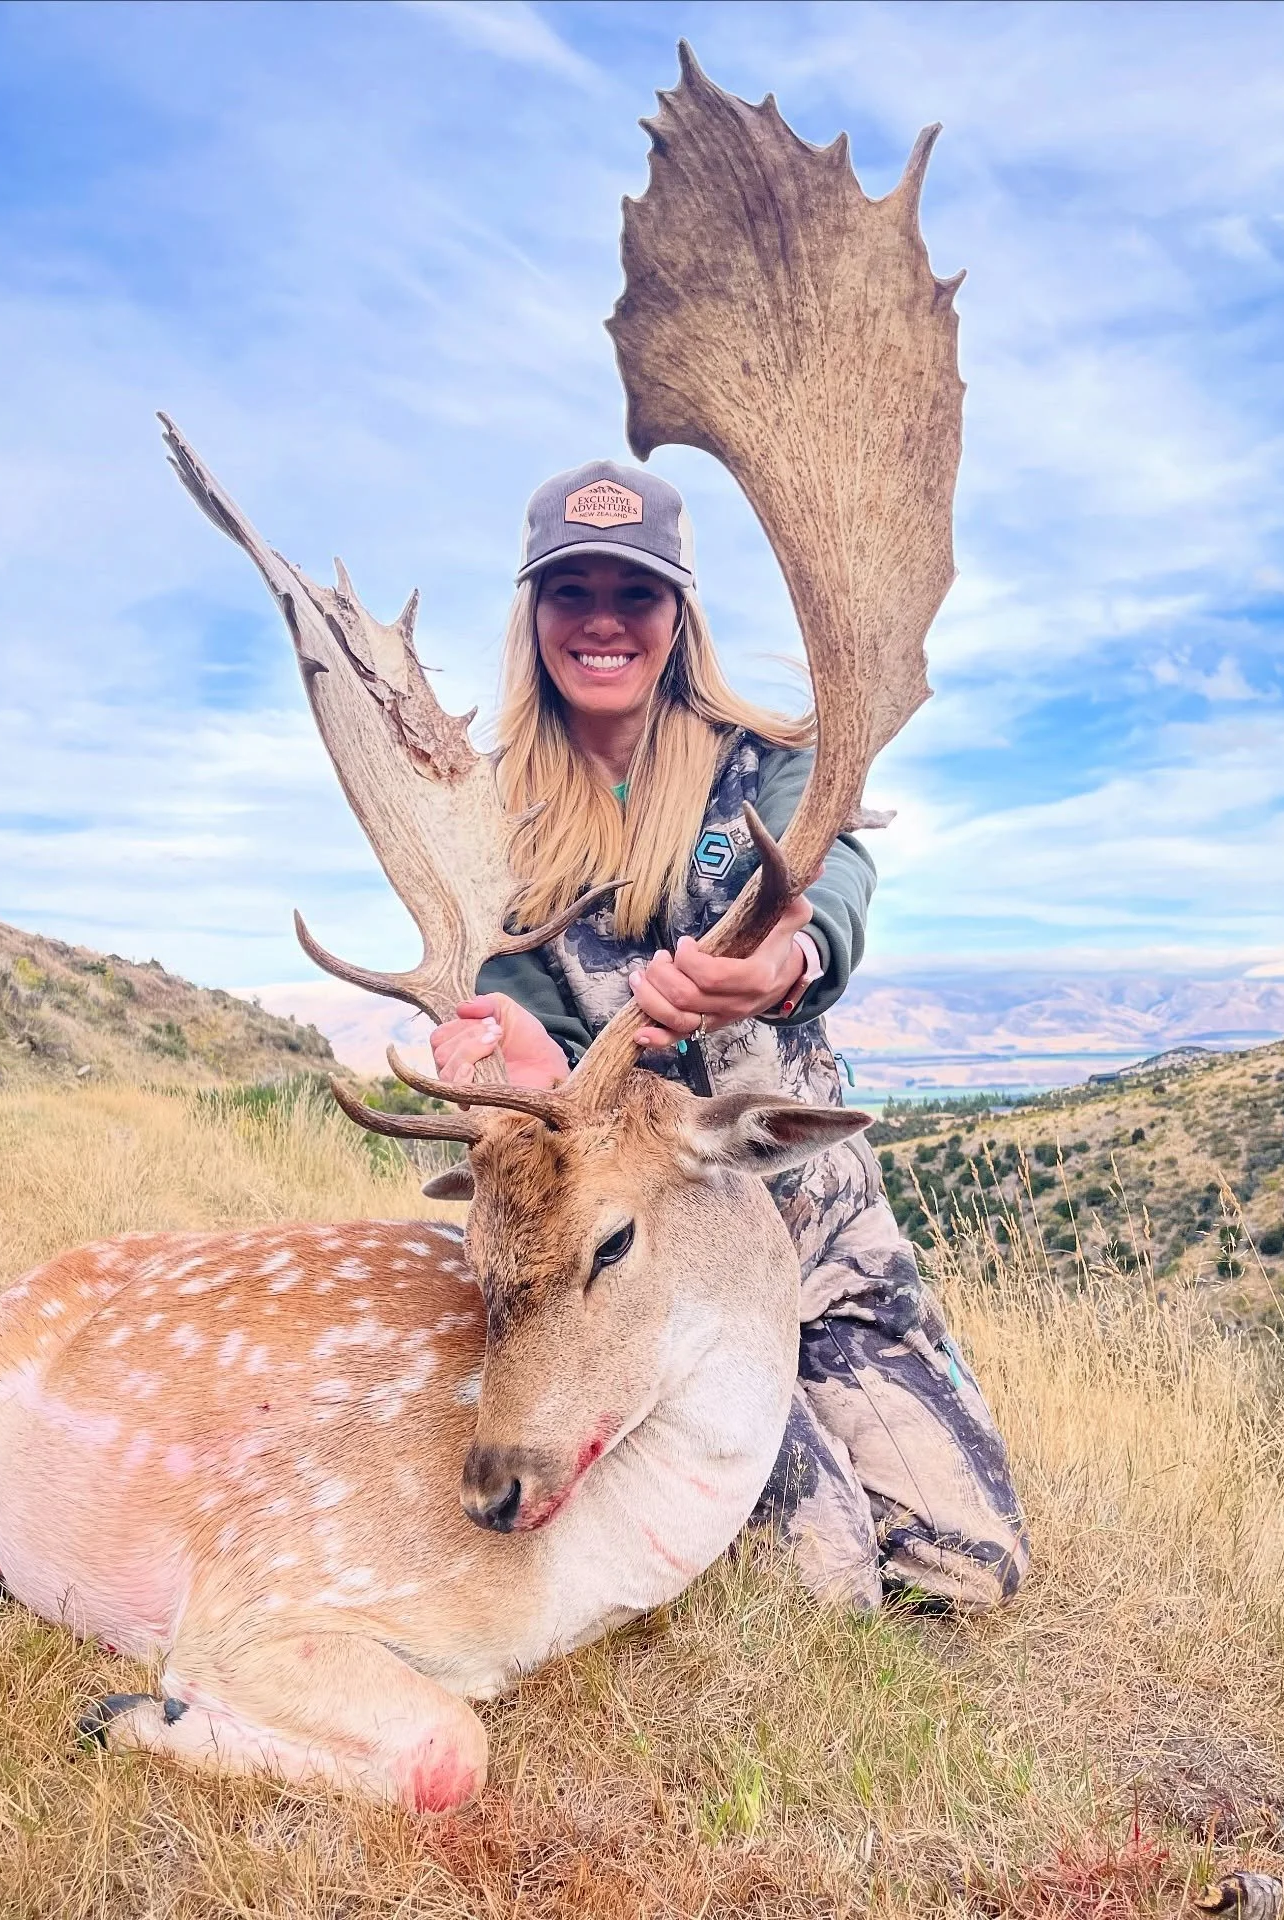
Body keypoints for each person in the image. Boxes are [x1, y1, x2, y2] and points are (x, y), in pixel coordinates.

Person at [429, 459, 1029, 1612]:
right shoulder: (490, 819)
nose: (602, 621)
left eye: (635, 594)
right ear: (534, 615)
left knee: (967, 1568)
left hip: (808, 1216)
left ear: (678, 615)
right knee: (830, 1583)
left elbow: (835, 880)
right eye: (571, 592)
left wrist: (787, 962)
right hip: (625, 1256)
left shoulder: (777, 758)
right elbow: (520, 1006)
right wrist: (528, 1071)